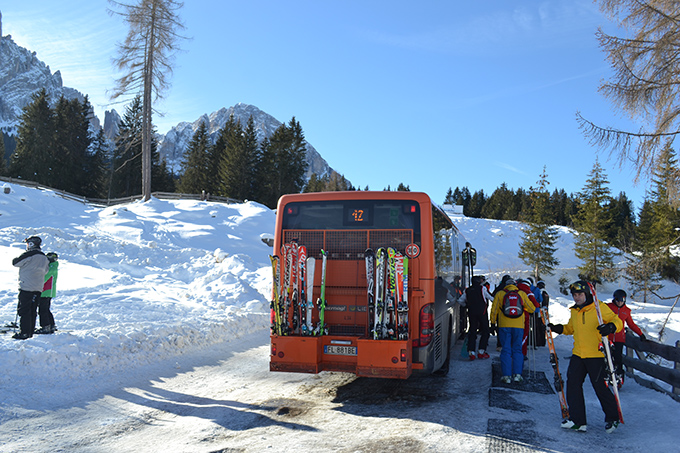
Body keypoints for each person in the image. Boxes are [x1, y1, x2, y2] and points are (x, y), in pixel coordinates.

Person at [548, 280, 623, 434]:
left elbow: (618, 321)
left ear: (587, 294)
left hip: (595, 354)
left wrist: (610, 327)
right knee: (573, 385)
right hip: (578, 354)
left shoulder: (599, 307)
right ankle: (578, 421)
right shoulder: (575, 311)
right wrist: (557, 328)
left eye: (580, 294)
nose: (577, 298)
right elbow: (570, 328)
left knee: (600, 387)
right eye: (575, 295)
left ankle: (612, 418)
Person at [490, 278, 536, 383]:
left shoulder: (500, 294)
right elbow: (532, 308)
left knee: (506, 350)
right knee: (517, 350)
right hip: (519, 326)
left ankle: (506, 376)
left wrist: (492, 323)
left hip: (504, 325)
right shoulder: (521, 294)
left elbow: (494, 310)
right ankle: (517, 375)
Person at [11, 236, 50, 340]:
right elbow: (46, 271)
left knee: (24, 310)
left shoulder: (30, 254)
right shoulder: (44, 257)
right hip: (38, 287)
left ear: (32, 244)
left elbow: (15, 262)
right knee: (33, 310)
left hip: (26, 286)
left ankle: (24, 332)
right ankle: (30, 332)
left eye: (28, 244)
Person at [606, 289, 646, 386]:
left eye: (622, 300)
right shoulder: (608, 307)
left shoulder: (626, 311)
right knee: (608, 357)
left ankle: (619, 377)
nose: (620, 302)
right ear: (614, 299)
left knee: (618, 358)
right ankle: (607, 375)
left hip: (619, 339)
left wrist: (640, 334)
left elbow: (631, 324)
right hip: (608, 337)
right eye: (618, 300)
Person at [458, 275, 493, 360]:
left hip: (471, 313)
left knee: (472, 331)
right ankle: (481, 351)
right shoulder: (482, 289)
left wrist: (466, 305)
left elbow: (460, 301)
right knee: (485, 331)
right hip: (482, 313)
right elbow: (490, 298)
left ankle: (471, 352)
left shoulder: (467, 290)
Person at [36, 252, 59, 334]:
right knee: (45, 309)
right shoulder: (53, 266)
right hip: (47, 291)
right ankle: (51, 325)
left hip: (46, 291)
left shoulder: (52, 267)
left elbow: (45, 277)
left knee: (43, 310)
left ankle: (45, 326)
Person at [516, 279, 540, 357]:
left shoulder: (515, 289)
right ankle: (522, 353)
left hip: (512, 315)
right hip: (524, 314)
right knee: (524, 334)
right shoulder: (528, 291)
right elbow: (536, 304)